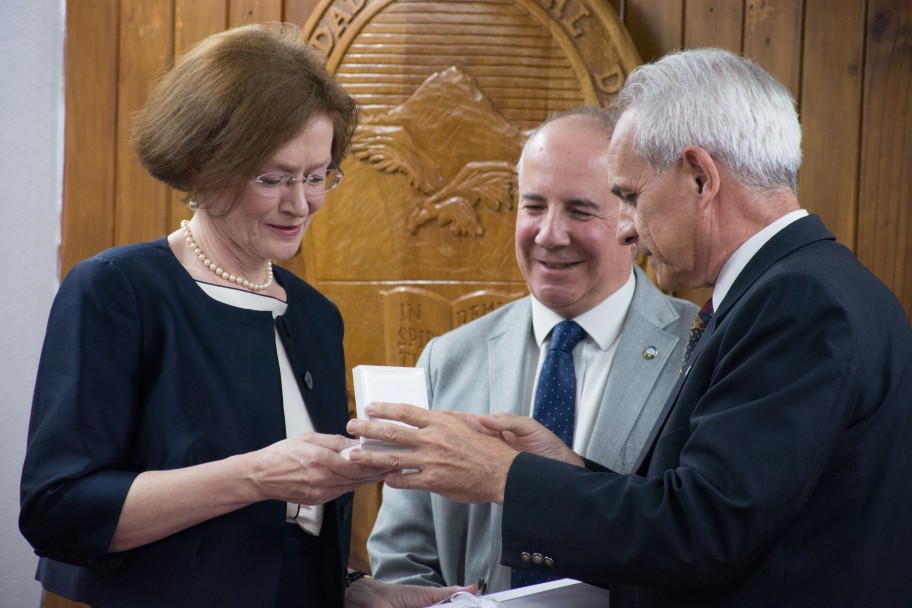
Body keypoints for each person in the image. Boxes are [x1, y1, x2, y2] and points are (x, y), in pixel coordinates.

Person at [346, 47, 912, 607]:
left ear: (698, 177)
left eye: (630, 197)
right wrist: (569, 472)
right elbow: (710, 506)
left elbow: (702, 533)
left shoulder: (798, 300)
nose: (626, 230)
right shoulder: (800, 285)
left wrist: (506, 475)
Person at [19, 23, 460, 608]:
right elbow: (58, 511)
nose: (300, 204)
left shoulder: (315, 317)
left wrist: (353, 591)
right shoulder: (119, 290)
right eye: (272, 178)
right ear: (201, 165)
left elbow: (286, 540)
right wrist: (256, 476)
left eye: (316, 175)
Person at [367, 107, 697, 593]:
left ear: (631, 218)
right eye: (534, 206)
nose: (549, 235)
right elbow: (401, 560)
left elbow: (700, 537)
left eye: (580, 211)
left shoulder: (699, 348)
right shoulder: (448, 359)